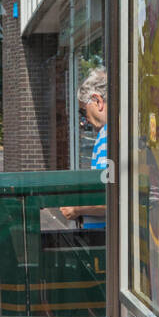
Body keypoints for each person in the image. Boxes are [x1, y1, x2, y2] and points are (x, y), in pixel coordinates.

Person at [60, 66, 108, 229]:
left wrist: (78, 209)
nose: (84, 119)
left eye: (83, 111)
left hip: (106, 238)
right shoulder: (113, 134)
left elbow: (113, 199)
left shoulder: (110, 138)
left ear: (98, 101)